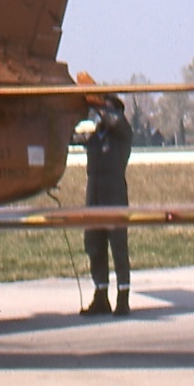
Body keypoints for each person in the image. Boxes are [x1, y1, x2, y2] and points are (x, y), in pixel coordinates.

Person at [77, 94, 133, 316]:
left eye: (107, 109)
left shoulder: (122, 134)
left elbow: (114, 120)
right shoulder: (96, 137)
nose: (102, 114)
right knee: (94, 245)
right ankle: (101, 296)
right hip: (94, 197)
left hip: (114, 196)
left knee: (118, 248)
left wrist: (98, 105)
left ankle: (123, 298)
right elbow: (73, 138)